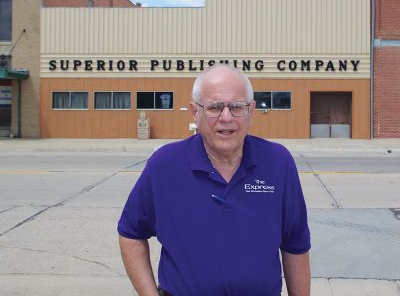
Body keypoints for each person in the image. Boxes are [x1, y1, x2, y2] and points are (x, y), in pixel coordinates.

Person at [118, 65, 311, 296]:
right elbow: (131, 233)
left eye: (237, 107)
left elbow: (295, 246)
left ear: (251, 111)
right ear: (194, 112)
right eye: (215, 107)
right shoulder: (165, 165)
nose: (226, 118)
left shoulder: (278, 163)